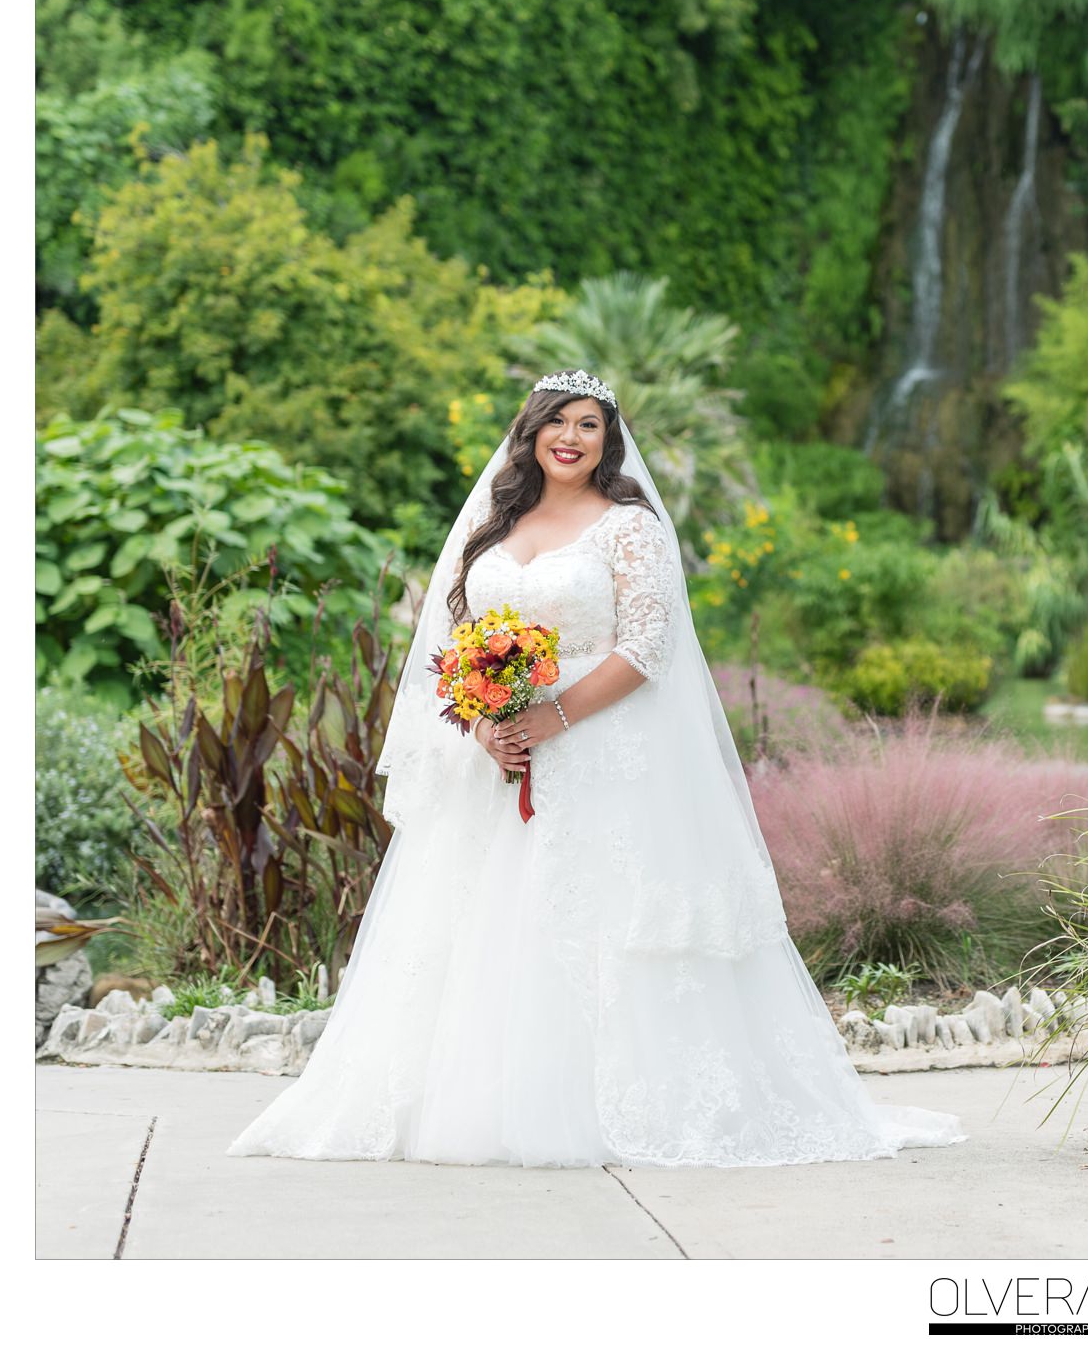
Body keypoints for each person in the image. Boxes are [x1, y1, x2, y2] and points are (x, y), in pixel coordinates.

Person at [227, 369, 967, 1167]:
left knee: (601, 922)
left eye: (589, 425)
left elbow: (647, 649)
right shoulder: (493, 521)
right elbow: (455, 640)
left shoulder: (628, 527)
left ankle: (607, 1106)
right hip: (500, 756)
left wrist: (553, 715)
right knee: (482, 923)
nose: (571, 438)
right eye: (558, 422)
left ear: (609, 440)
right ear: (533, 431)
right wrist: (481, 723)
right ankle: (472, 1101)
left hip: (606, 751)